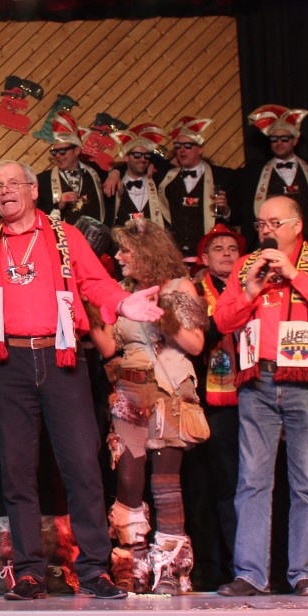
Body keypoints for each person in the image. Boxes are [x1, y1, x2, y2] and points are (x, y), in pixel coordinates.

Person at [0, 160, 165, 601]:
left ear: (33, 190)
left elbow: (96, 283)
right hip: (9, 364)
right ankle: (28, 572)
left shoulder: (65, 238)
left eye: (13, 183)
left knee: (82, 467)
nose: (5, 190)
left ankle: (94, 570)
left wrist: (124, 304)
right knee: (17, 473)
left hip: (61, 360)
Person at [212, 196, 308, 598]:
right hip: (259, 378)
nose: (266, 230)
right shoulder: (246, 265)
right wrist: (249, 292)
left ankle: (305, 573)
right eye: (261, 224)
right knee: (252, 480)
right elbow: (222, 320)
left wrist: (294, 274)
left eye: (274, 223)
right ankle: (250, 574)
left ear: (297, 225)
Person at [102, 219, 207, 594]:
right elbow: (108, 347)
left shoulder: (180, 288)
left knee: (165, 481)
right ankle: (132, 562)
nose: (119, 257)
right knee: (128, 480)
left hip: (170, 387)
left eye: (125, 250)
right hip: (131, 389)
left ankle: (170, 566)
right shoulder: (121, 292)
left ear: (147, 252)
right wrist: (92, 310)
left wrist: (161, 311)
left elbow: (195, 344)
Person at [190, 224, 244, 589]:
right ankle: (208, 570)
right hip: (203, 397)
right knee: (204, 488)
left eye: (232, 248)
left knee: (238, 486)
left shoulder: (253, 288)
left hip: (246, 397)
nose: (226, 253)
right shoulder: (193, 292)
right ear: (204, 258)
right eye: (218, 249)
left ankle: (242, 566)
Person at [157, 117, 244, 258]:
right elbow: (138, 164)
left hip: (210, 255)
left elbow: (239, 218)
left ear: (200, 149)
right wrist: (117, 174)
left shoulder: (223, 177)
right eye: (178, 146)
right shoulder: (166, 178)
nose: (181, 150)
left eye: (187, 146)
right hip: (176, 255)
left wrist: (225, 210)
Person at [247, 106, 308, 242]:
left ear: (295, 140)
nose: (279, 143)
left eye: (284, 139)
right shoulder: (256, 171)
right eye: (274, 139)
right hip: (274, 240)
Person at [36, 113, 108, 225]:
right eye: (54, 152)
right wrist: (58, 205)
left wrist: (115, 173)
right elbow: (35, 213)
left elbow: (123, 172)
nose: (57, 156)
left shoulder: (95, 171)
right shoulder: (42, 180)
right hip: (62, 235)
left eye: (62, 151)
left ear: (77, 150)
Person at [104, 123, 170, 229]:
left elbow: (173, 166)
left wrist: (155, 163)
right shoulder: (113, 183)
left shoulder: (157, 181)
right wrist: (115, 171)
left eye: (146, 155)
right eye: (137, 155)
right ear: (126, 158)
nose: (143, 159)